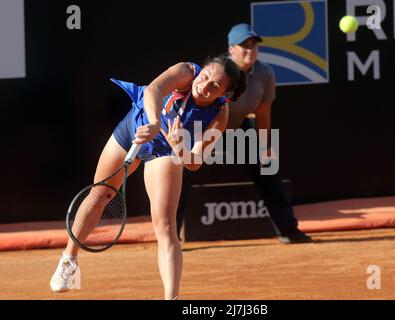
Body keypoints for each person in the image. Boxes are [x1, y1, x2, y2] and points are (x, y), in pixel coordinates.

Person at [49, 55, 247, 299]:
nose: (204, 85)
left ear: (224, 95)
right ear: (202, 70)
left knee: (165, 226)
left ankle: (171, 298)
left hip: (166, 152)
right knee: (100, 194)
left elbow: (195, 162)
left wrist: (180, 148)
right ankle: (69, 260)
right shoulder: (186, 71)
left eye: (215, 86)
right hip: (135, 129)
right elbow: (154, 89)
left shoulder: (220, 114)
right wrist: (154, 122)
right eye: (206, 76)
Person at [176, 23, 312, 244]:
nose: (251, 50)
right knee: (182, 177)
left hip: (238, 130)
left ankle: (288, 229)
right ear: (231, 49)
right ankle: (171, 236)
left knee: (268, 169)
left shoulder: (266, 73)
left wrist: (265, 147)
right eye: (244, 45)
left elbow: (263, 113)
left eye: (254, 45)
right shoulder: (218, 72)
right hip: (204, 130)